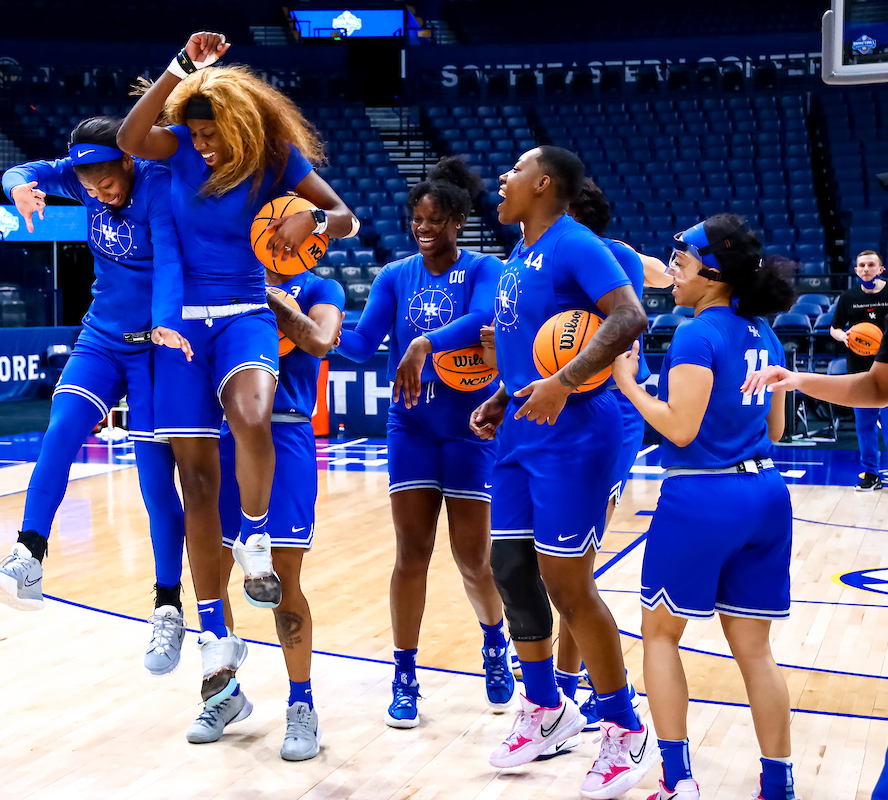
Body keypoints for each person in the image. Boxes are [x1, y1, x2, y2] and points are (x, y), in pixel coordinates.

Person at [116, 31, 358, 712]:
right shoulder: (177, 153)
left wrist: (312, 212)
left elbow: (346, 218)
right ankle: (215, 643)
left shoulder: (275, 159)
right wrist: (181, 70)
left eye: (211, 131)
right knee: (195, 481)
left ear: (242, 123)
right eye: (193, 132)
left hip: (248, 308)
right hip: (182, 324)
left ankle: (253, 533)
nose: (201, 144)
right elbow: (134, 136)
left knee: (251, 414)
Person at [470, 145, 655, 798]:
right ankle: (547, 709)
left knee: (569, 585)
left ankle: (624, 729)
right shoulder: (519, 255)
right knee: (511, 568)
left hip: (576, 428)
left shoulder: (576, 243)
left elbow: (630, 317)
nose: (502, 179)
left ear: (544, 183)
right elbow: (528, 346)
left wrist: (563, 379)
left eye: (514, 171)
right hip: (523, 423)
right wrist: (502, 395)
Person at [0, 117, 189, 677]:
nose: (99, 194)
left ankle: (168, 605)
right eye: (88, 188)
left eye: (105, 183)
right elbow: (27, 170)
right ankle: (29, 556)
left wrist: (167, 321)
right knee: (62, 424)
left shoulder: (157, 184)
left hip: (154, 348)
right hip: (101, 335)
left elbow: (169, 259)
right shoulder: (80, 176)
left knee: (152, 481)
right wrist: (17, 186)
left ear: (125, 158)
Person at [617, 215, 798, 800]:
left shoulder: (698, 333)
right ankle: (778, 783)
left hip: (704, 495)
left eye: (682, 262)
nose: (673, 271)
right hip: (766, 494)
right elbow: (775, 424)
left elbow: (682, 427)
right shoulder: (763, 333)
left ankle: (679, 780)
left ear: (712, 272)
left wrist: (629, 384)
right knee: (756, 653)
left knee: (661, 636)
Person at [335, 157, 516, 730]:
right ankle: (405, 675)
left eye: (435, 220)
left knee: (472, 559)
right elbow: (363, 345)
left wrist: (423, 345)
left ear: (458, 221)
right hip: (411, 425)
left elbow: (485, 317)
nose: (424, 228)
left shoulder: (484, 268)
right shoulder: (394, 275)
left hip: (471, 426)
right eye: (417, 219)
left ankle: (494, 643)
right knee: (410, 555)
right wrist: (308, 319)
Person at [193, 266, 343, 758]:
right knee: (212, 573)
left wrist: (271, 299)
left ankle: (302, 706)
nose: (278, 236)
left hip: (286, 431)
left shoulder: (323, 288)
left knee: (282, 579)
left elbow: (319, 340)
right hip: (222, 432)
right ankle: (224, 694)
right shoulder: (225, 274)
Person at [828, 249, 888, 491]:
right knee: (864, 426)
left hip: (886, 368)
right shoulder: (848, 296)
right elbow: (834, 327)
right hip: (859, 370)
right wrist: (843, 336)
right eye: (861, 265)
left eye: (871, 265)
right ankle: (871, 474)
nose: (865, 269)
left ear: (881, 269)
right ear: (855, 270)